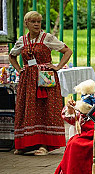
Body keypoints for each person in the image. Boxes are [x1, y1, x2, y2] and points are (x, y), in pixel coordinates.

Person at [9, 11, 72, 155]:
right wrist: (19, 70)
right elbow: (12, 56)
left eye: (38, 21)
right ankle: (26, 144)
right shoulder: (22, 41)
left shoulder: (47, 38)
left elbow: (67, 51)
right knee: (27, 109)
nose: (37, 24)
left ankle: (44, 145)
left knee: (45, 109)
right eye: (33, 21)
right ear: (26, 24)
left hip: (44, 78)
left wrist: (57, 66)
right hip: (28, 80)